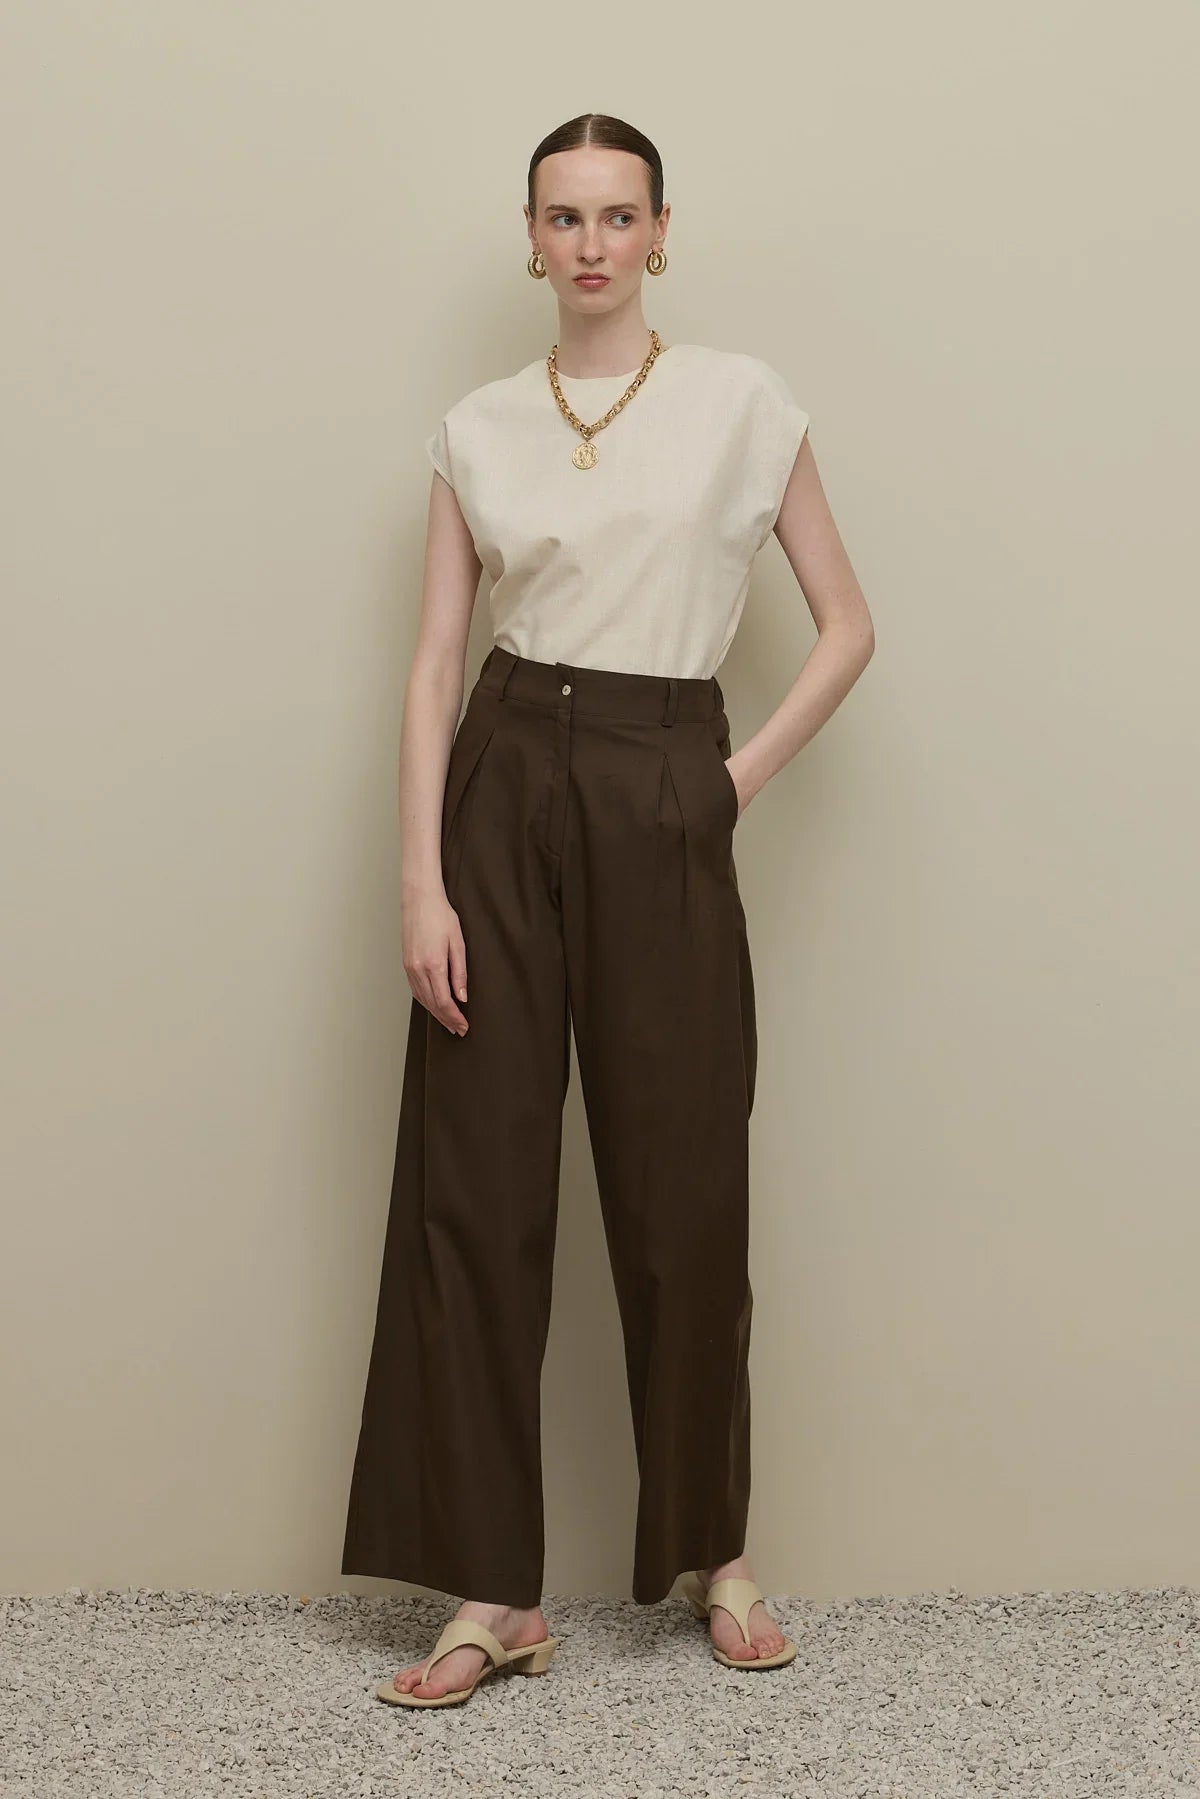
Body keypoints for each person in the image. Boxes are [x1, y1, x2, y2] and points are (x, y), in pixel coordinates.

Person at [341, 111, 875, 1709]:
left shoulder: (742, 403)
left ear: (659, 231)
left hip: (663, 774)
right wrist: (422, 877)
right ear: (530, 237)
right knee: (475, 1189)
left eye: (618, 215)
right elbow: (437, 661)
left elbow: (847, 625)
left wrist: (731, 782)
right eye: (563, 216)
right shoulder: (478, 425)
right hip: (502, 779)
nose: (591, 243)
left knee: (684, 1184)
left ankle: (717, 1554)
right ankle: (494, 1592)